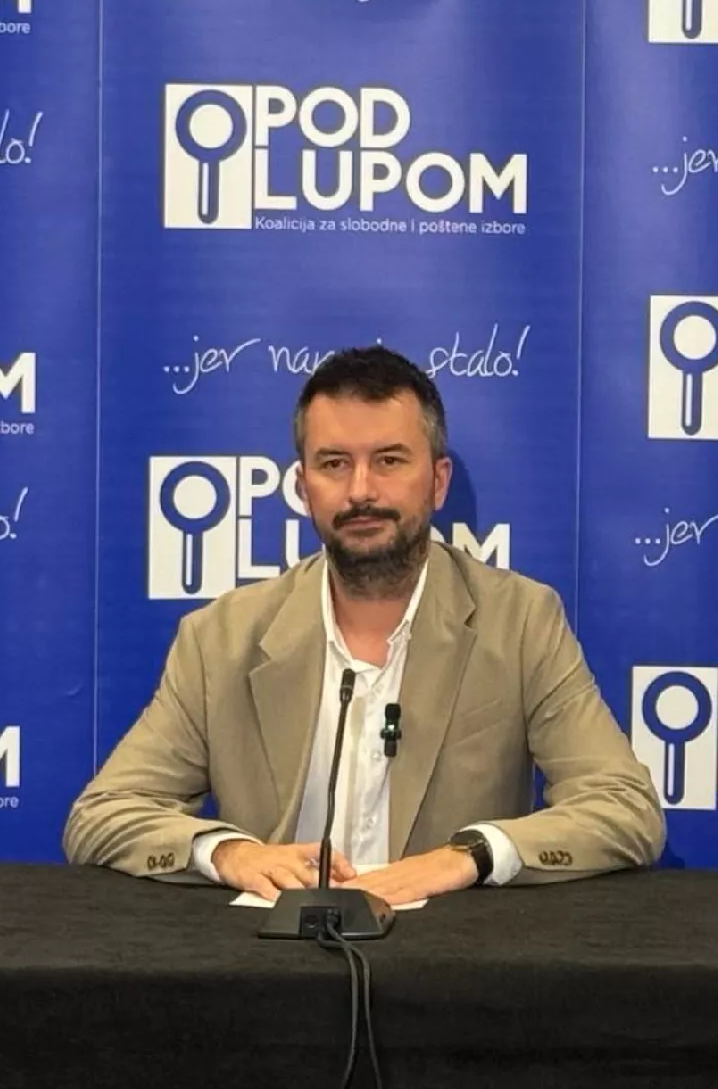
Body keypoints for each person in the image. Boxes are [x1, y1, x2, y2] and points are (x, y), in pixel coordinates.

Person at [65, 345, 664, 904]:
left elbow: (624, 808)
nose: (360, 491)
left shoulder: (521, 620)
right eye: (333, 464)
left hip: (451, 955)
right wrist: (227, 853)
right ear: (302, 488)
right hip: (269, 958)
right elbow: (104, 813)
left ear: (438, 482)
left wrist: (472, 855)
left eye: (389, 461)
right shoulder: (220, 637)